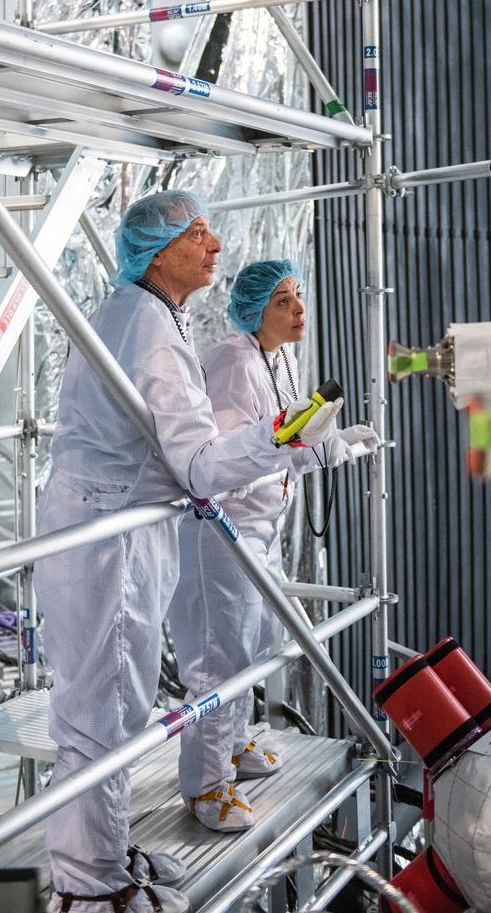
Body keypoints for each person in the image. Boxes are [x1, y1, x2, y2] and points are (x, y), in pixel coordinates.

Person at [34, 196, 345, 913]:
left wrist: (290, 437)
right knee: (105, 710)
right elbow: (201, 465)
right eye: (197, 233)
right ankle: (91, 886)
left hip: (115, 521)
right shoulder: (151, 326)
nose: (215, 244)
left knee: (113, 705)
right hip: (112, 534)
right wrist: (283, 436)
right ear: (159, 250)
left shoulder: (142, 313)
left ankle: (105, 854)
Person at [168, 260, 379, 832]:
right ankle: (206, 786)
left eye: (298, 296)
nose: (298, 309)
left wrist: (338, 444)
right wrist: (300, 444)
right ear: (254, 311)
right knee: (219, 657)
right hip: (224, 529)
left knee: (254, 642)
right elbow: (228, 458)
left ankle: (234, 743)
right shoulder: (234, 362)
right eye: (283, 301)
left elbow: (286, 438)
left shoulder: (278, 358)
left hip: (264, 525)